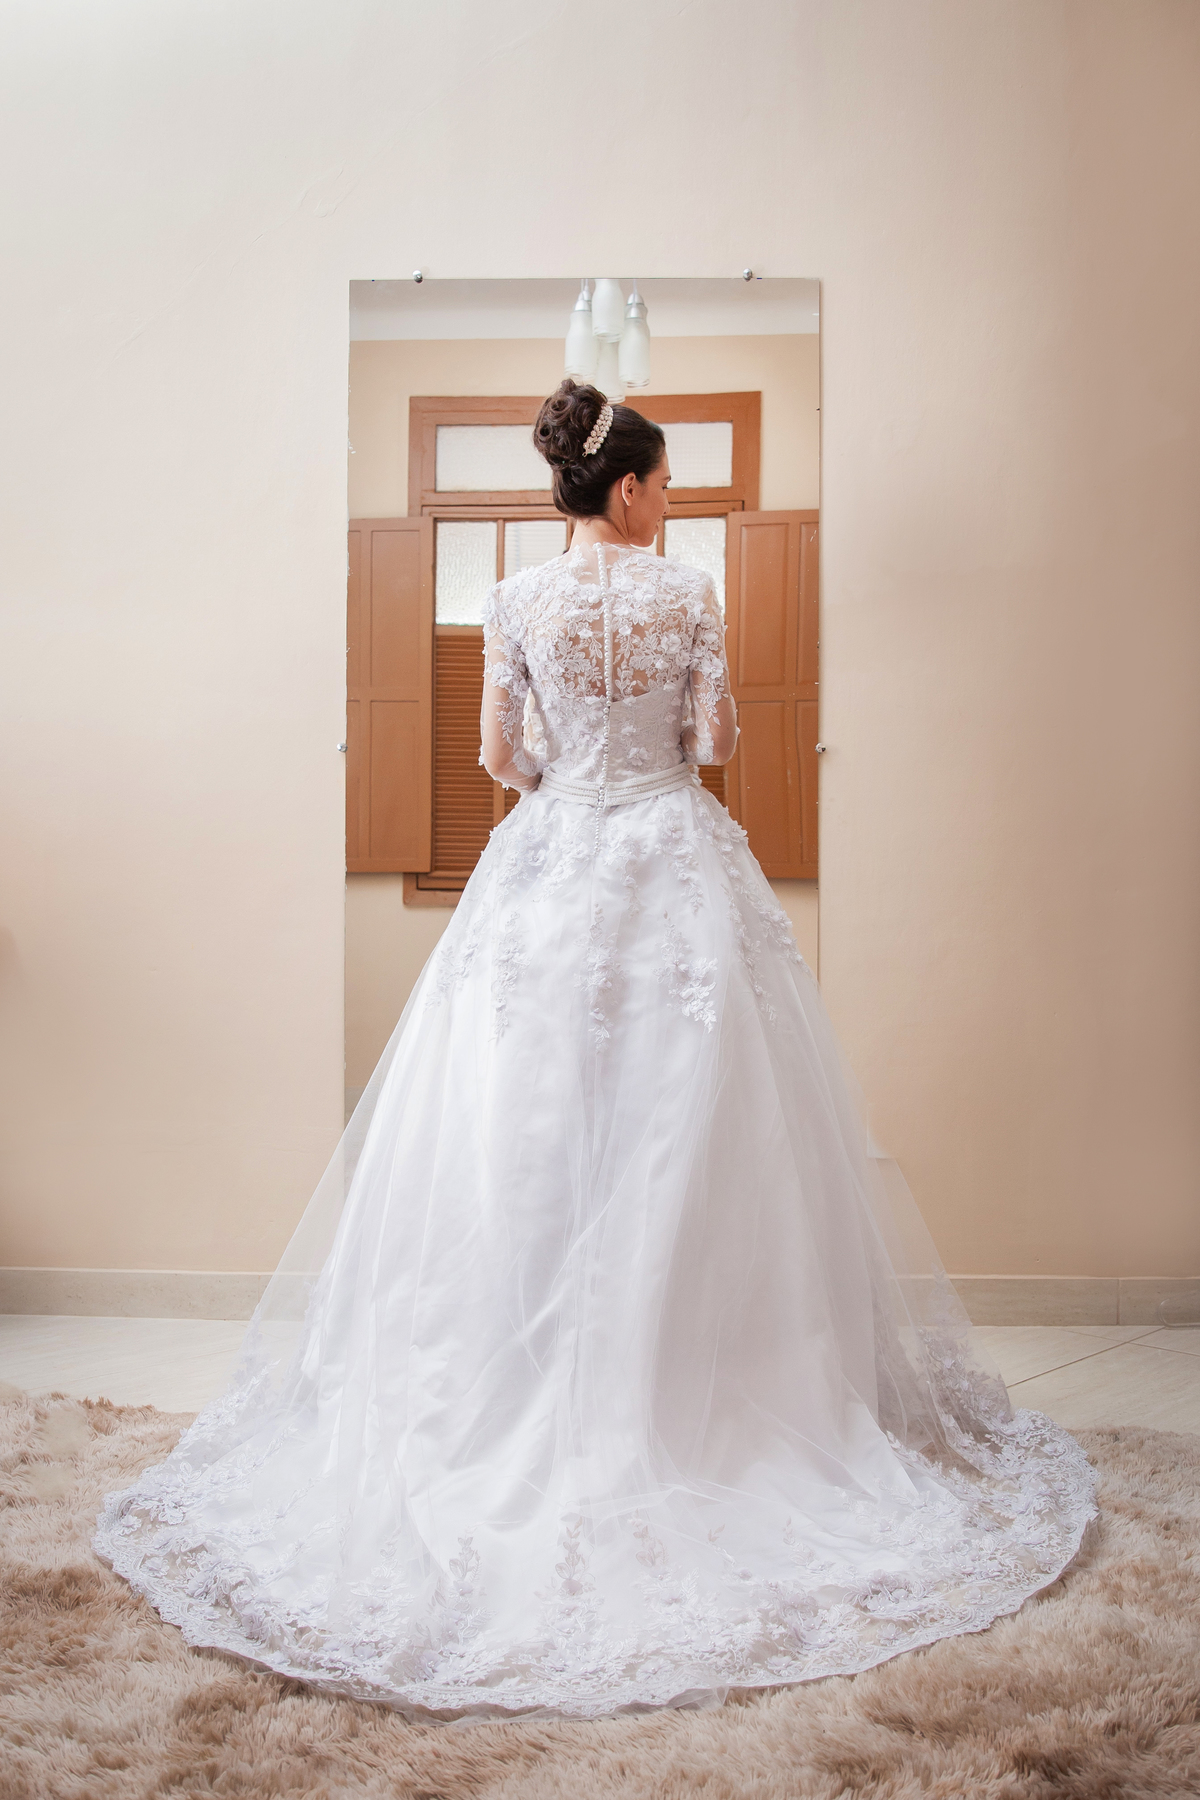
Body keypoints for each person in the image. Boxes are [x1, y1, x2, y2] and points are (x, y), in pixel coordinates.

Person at [93, 379, 1095, 1722]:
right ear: (627, 489)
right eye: (667, 480)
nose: (673, 498)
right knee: (701, 1123)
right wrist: (652, 758)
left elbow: (503, 757)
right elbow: (714, 741)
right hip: (672, 855)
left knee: (522, 1129)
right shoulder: (687, 593)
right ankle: (713, 1393)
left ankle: (508, 1389)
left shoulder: (512, 601)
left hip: (554, 865)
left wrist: (567, 774)